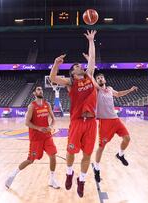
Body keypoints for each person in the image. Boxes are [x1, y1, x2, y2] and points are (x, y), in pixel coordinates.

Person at [49, 30, 98, 197]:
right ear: (72, 72)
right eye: (77, 66)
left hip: (91, 122)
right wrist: (56, 63)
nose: (81, 66)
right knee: (70, 152)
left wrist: (91, 41)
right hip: (77, 122)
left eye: (81, 65)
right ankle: (69, 173)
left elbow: (92, 59)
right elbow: (53, 78)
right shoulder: (70, 82)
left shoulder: (90, 76)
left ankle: (82, 180)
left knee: (87, 154)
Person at [5, 86, 60, 189]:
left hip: (47, 136)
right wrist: (38, 128)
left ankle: (52, 179)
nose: (40, 91)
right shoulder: (32, 106)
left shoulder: (47, 104)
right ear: (34, 93)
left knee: (53, 155)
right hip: (36, 138)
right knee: (30, 160)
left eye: (41, 89)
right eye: (38, 90)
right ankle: (13, 174)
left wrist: (51, 127)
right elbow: (27, 123)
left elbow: (53, 119)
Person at [92, 72, 137, 183]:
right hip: (104, 122)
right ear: (96, 81)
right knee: (101, 147)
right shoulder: (97, 90)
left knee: (127, 138)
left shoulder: (110, 89)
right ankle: (97, 168)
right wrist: (90, 65)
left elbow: (119, 94)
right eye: (98, 78)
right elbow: (92, 79)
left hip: (115, 119)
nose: (100, 79)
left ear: (105, 80)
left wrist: (130, 90)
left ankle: (120, 155)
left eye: (101, 77)